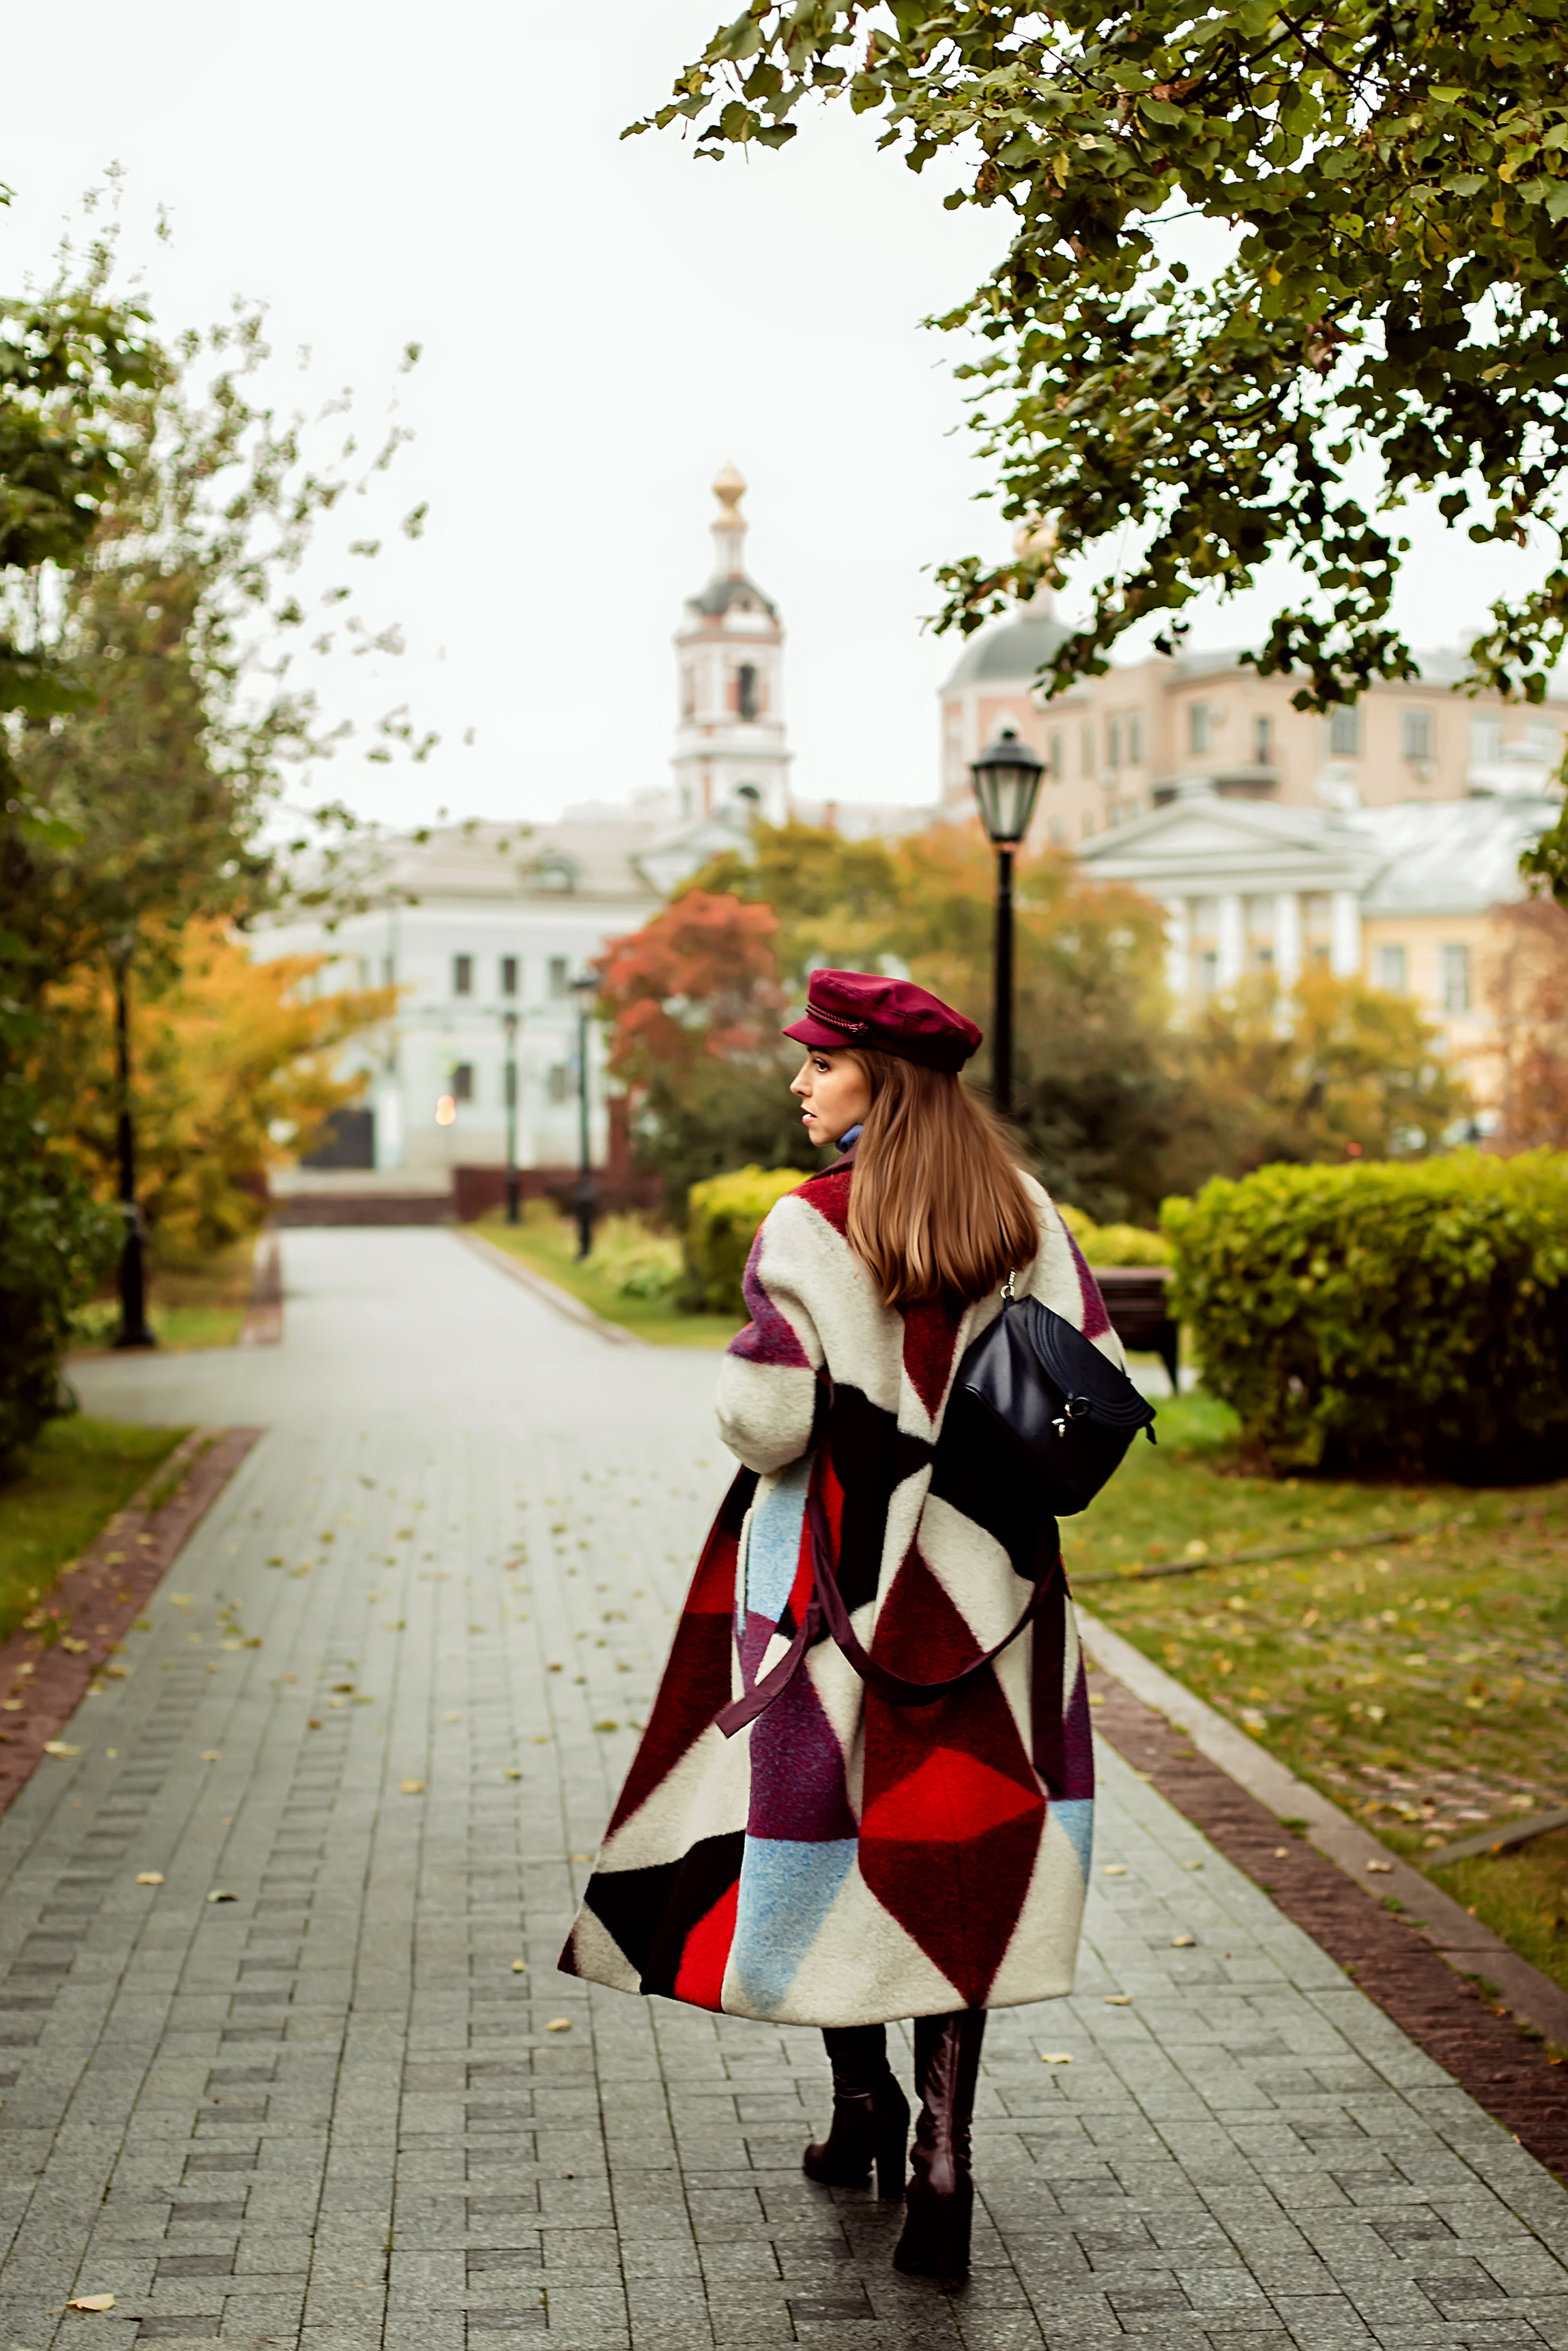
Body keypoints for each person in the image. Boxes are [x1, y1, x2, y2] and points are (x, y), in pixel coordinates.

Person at [559, 970, 1121, 2282]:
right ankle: (937, 2150)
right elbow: (1090, 1374)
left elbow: (768, 1423)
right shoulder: (1022, 1209)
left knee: (824, 1831)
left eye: (821, 1060)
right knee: (953, 1853)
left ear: (883, 1078)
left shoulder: (808, 1223)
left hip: (835, 1588)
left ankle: (860, 2094)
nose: (800, 1081)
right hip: (989, 1591)